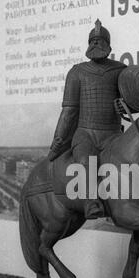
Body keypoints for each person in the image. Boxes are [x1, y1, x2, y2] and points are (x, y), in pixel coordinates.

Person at [48, 19, 126, 219]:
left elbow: (133, 101)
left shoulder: (121, 70)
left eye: (100, 41)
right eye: (94, 40)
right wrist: (58, 141)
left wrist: (124, 105)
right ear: (89, 44)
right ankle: (91, 202)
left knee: (129, 163)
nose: (97, 44)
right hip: (86, 134)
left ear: (108, 45)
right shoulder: (77, 72)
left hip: (113, 135)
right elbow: (69, 112)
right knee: (85, 161)